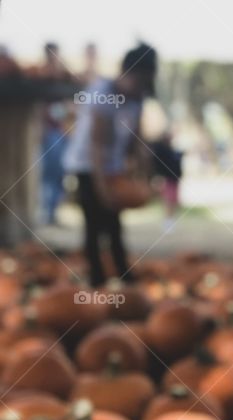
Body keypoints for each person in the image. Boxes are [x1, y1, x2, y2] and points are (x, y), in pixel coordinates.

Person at [63, 42, 157, 286]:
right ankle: (96, 279)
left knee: (114, 224)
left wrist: (141, 175)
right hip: (88, 167)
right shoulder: (101, 93)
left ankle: (123, 274)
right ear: (126, 73)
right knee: (94, 223)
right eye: (138, 82)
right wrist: (102, 188)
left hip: (113, 168)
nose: (141, 88)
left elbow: (136, 140)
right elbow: (98, 146)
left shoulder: (137, 98)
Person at [39, 43, 70, 225]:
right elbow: (43, 110)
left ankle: (53, 211)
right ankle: (48, 212)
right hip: (50, 131)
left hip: (62, 131)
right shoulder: (42, 76)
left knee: (59, 173)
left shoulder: (62, 75)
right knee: (49, 173)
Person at [150, 131, 183, 230]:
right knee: (168, 200)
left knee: (173, 201)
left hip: (175, 178)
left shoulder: (171, 150)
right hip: (167, 179)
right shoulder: (160, 149)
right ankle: (168, 221)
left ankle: (171, 220)